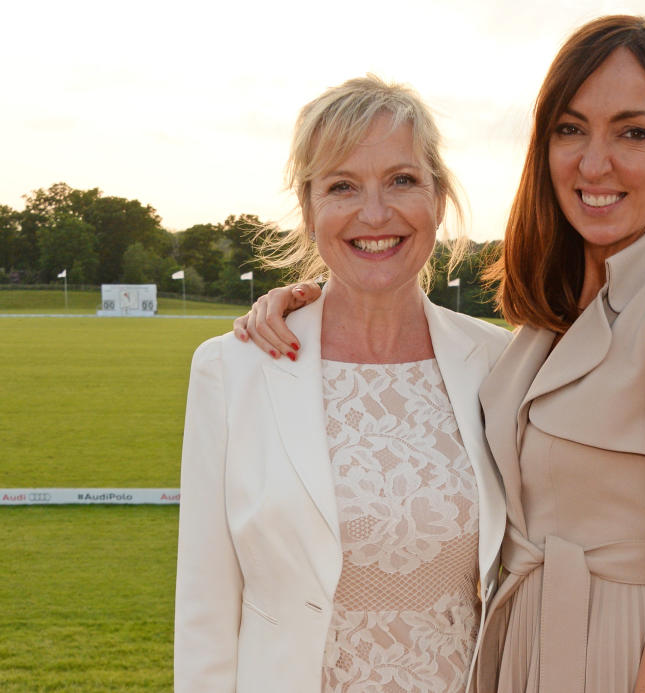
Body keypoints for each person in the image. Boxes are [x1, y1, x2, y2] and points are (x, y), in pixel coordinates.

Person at [234, 15, 645, 693]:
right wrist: (311, 302)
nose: (594, 163)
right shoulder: (555, 312)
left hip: (627, 661)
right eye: (571, 129)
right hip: (522, 648)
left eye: (634, 132)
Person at [175, 76, 511, 692]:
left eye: (403, 180)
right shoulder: (232, 370)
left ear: (438, 198)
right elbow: (205, 605)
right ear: (309, 211)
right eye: (342, 187)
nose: (375, 213)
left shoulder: (500, 364)